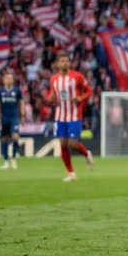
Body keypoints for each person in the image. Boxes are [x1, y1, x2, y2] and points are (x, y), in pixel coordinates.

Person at [44, 54, 95, 182]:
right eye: (62, 61)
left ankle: (86, 153)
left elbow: (89, 91)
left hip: (74, 115)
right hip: (60, 116)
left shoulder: (77, 77)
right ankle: (71, 173)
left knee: (72, 143)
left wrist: (80, 98)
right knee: (63, 144)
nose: (65, 63)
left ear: (69, 63)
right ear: (58, 64)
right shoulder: (54, 79)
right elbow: (53, 94)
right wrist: (49, 99)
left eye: (67, 61)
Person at [0, 71, 23, 170]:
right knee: (4, 139)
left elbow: (21, 103)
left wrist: (22, 115)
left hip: (14, 117)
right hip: (4, 118)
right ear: (4, 80)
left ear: (13, 80)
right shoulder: (0, 91)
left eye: (11, 78)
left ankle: (13, 158)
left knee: (15, 137)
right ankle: (6, 161)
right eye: (7, 78)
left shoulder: (17, 91)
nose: (9, 80)